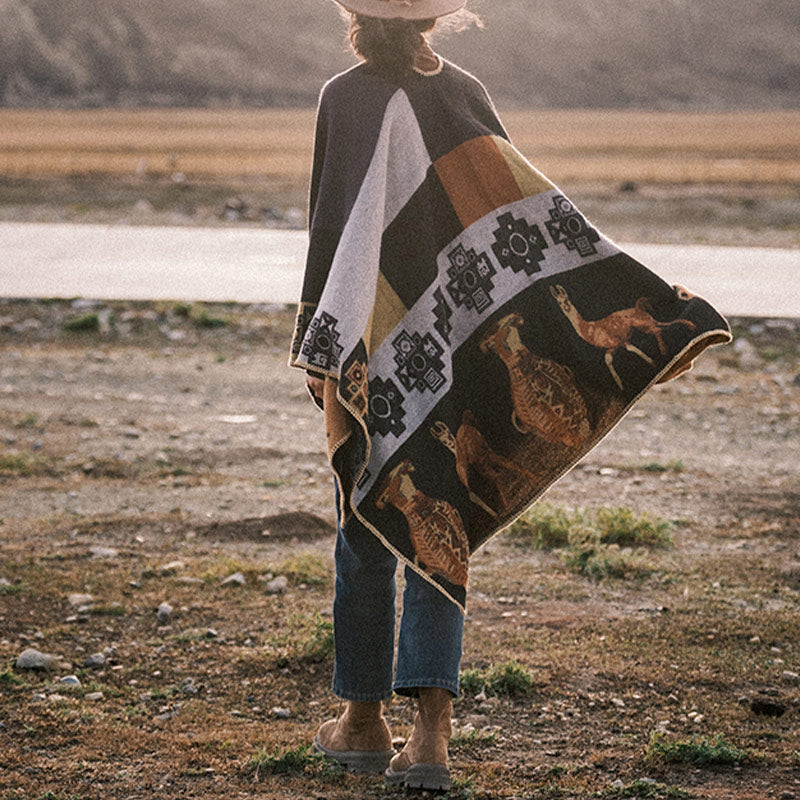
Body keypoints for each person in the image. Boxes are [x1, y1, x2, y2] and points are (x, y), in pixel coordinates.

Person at [290, 0, 730, 791]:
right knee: (442, 522)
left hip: (376, 340)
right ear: (432, 21)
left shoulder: (343, 98)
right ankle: (432, 741)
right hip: (463, 343)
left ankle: (360, 720)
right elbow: (528, 215)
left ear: (354, 17)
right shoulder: (463, 91)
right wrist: (646, 298)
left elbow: (332, 233)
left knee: (368, 519)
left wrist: (318, 351)